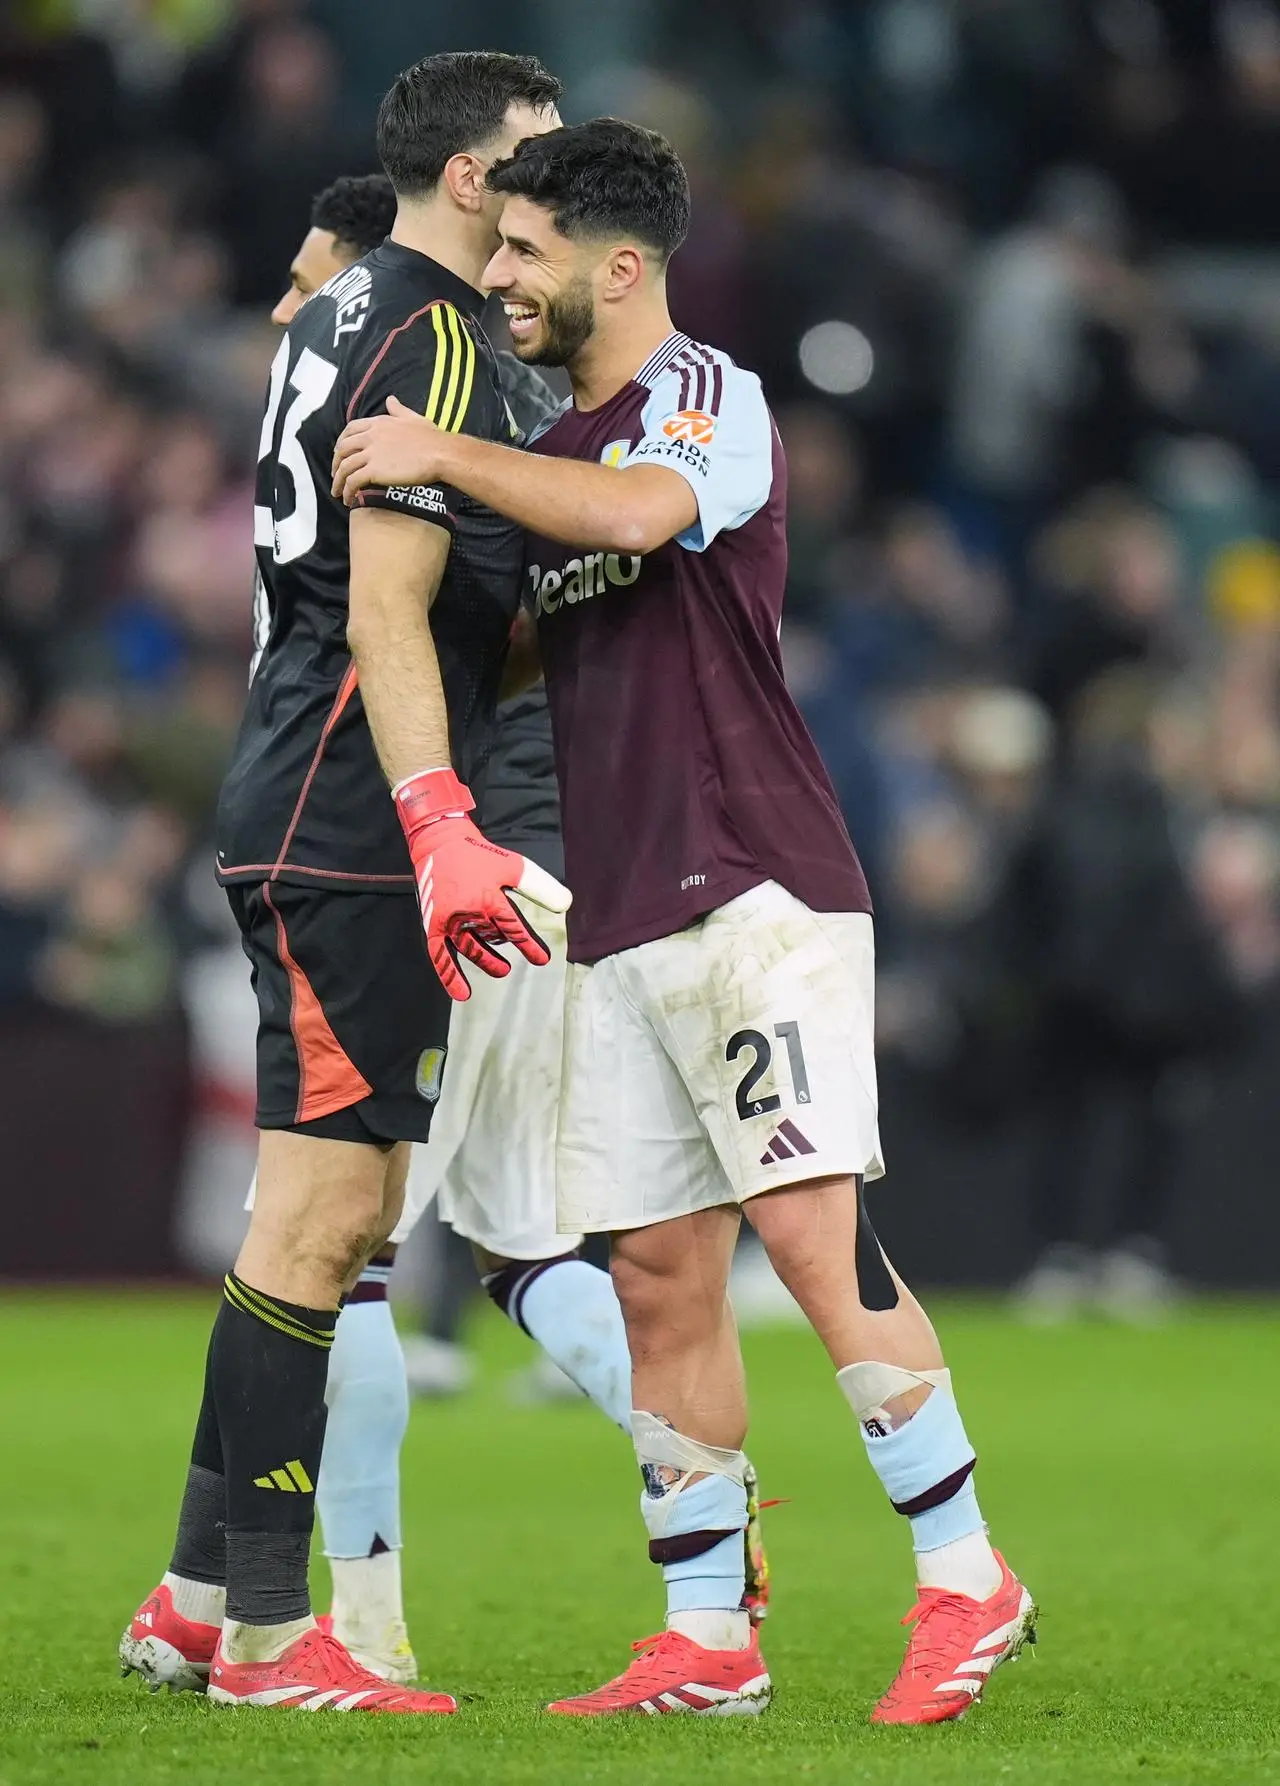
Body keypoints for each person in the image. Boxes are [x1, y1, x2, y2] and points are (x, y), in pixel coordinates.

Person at [332, 118, 1035, 1725]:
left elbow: (645, 519)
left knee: (807, 1228)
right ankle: (707, 1633)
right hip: (627, 905)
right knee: (655, 1273)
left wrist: (439, 457)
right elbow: (534, 643)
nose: (497, 276)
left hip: (760, 886)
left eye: (522, 250)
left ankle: (967, 1574)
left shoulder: (701, 398)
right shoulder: (555, 450)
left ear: (619, 264)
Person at [255, 171, 770, 1681]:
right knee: (494, 1238)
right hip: (533, 854)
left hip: (470, 865)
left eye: (316, 283)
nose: (292, 313)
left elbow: (477, 638)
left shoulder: (430, 443)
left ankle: (361, 1614)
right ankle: (711, 1527)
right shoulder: (487, 436)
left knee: (346, 1245)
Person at [118, 51, 570, 1718]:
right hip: (351, 816)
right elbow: (390, 608)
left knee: (343, 1216)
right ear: (470, 177)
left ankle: (195, 1600)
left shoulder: (335, 306)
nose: (553, 179)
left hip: (318, 795)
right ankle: (257, 1631)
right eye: (536, 155)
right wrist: (444, 813)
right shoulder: (441, 334)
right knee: (320, 1224)